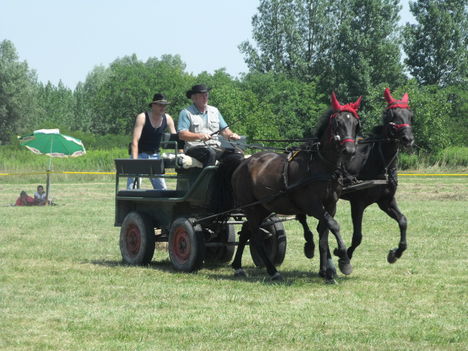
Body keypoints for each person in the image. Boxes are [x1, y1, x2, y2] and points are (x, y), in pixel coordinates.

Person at [177, 84, 241, 167]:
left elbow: (224, 130)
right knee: (210, 153)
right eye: (201, 96)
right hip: (194, 148)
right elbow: (182, 134)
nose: (205, 98)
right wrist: (200, 136)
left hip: (215, 147)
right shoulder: (186, 113)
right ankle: (209, 180)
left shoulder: (215, 111)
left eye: (206, 95)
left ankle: (228, 179)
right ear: (194, 98)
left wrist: (231, 135)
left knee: (237, 154)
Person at [127, 93, 177, 190]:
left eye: (164, 105)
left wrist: (181, 155)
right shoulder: (142, 117)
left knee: (162, 190)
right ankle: (130, 204)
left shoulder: (168, 118)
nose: (162, 107)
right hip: (140, 155)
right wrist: (135, 161)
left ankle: (161, 205)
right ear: (153, 105)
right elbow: (135, 141)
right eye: (160, 105)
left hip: (155, 156)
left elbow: (176, 139)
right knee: (132, 187)